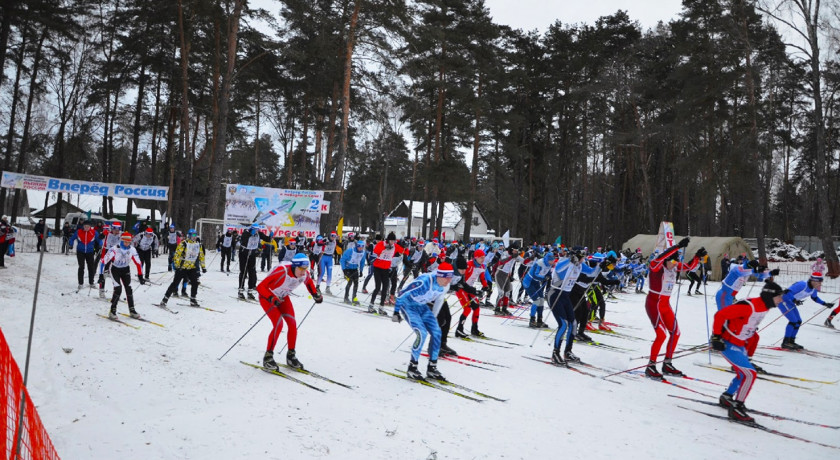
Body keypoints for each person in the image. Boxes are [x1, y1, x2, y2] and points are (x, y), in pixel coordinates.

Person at [711, 280, 785, 423]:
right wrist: (716, 337)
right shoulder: (749, 306)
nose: (781, 301)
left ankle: (727, 397)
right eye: (779, 297)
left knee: (742, 374)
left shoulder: (764, 306)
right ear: (770, 297)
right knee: (750, 374)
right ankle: (737, 408)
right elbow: (720, 315)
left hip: (740, 343)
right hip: (728, 343)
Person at [644, 238, 705, 379]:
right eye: (672, 262)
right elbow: (660, 258)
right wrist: (677, 247)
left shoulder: (674, 266)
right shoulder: (656, 266)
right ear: (667, 260)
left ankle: (667, 363)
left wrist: (697, 256)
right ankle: (651, 366)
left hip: (665, 304)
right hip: (654, 303)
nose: (675, 265)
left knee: (675, 333)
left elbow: (689, 267)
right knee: (661, 334)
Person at [256, 253, 323, 371]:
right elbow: (260, 287)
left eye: (305, 269)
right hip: (267, 298)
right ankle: (268, 357)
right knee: (278, 324)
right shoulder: (282, 271)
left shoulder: (304, 274)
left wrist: (315, 295)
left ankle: (291, 355)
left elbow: (309, 283)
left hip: (283, 297)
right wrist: (271, 298)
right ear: (294, 266)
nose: (303, 272)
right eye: (301, 269)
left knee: (292, 324)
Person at [394, 262, 454, 381]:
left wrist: (434, 318)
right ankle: (412, 366)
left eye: (450, 278)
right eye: (446, 278)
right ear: (439, 275)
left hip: (422, 306)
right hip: (408, 305)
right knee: (422, 333)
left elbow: (439, 301)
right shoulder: (424, 281)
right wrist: (396, 312)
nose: (448, 281)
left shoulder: (444, 285)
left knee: (437, 332)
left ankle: (432, 367)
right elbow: (402, 294)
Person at [778, 273, 834, 349]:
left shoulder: (813, 289)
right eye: (819, 282)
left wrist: (825, 304)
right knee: (793, 321)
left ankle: (791, 341)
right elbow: (787, 292)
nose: (820, 284)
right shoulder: (802, 284)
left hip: (791, 303)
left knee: (798, 321)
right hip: (783, 300)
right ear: (813, 281)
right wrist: (795, 300)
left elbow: (815, 298)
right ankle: (785, 342)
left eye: (821, 282)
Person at [546, 249, 583, 364]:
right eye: (581, 257)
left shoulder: (579, 266)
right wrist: (570, 261)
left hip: (565, 295)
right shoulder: (564, 261)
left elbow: (591, 273)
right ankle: (555, 353)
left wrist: (601, 266)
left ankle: (568, 351)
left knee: (573, 323)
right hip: (555, 294)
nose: (583, 260)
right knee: (563, 324)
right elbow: (558, 269)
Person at [101, 232, 145, 320]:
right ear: (121, 240)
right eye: (125, 242)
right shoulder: (114, 249)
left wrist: (140, 276)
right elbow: (103, 261)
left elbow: (138, 263)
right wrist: (101, 275)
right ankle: (112, 311)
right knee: (118, 289)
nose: (127, 244)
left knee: (128, 289)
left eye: (129, 242)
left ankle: (132, 310)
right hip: (115, 270)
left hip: (125, 270)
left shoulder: (132, 249)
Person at [160, 229, 206, 307]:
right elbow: (177, 255)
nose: (194, 237)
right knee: (175, 283)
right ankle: (165, 299)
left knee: (195, 282)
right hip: (182, 267)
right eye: (193, 235)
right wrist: (177, 266)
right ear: (189, 235)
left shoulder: (198, 245)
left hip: (192, 267)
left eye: (195, 235)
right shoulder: (183, 244)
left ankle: (193, 299)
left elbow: (201, 256)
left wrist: (203, 267)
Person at [453, 251, 488, 338]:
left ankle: (474, 329)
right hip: (461, 289)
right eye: (481, 257)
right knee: (467, 308)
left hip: (470, 289)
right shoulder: (468, 265)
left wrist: (486, 286)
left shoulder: (482, 266)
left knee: (476, 307)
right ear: (476, 257)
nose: (483, 259)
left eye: (484, 257)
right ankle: (459, 330)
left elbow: (482, 277)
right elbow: (462, 279)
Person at [369, 232, 404, 314]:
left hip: (386, 269)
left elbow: (404, 251)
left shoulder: (394, 246)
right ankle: (371, 305)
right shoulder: (382, 243)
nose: (392, 242)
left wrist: (403, 248)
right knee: (378, 287)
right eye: (391, 241)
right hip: (377, 268)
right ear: (388, 240)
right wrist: (384, 248)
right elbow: (376, 251)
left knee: (385, 288)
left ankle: (381, 307)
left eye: (394, 241)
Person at [522, 251, 556, 328]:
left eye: (553, 260)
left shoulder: (549, 265)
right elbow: (535, 274)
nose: (552, 262)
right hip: (529, 282)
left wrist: (549, 276)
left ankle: (539, 320)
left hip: (536, 282)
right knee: (536, 300)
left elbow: (547, 273)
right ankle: (532, 320)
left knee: (541, 300)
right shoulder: (540, 263)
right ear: (547, 259)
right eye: (551, 260)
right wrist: (544, 278)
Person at [238, 224, 272, 299]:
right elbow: (243, 241)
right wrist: (250, 235)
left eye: (258, 230)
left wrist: (270, 236)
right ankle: (240, 291)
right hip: (244, 253)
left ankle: (250, 291)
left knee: (252, 272)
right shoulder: (245, 233)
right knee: (243, 272)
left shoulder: (258, 234)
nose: (257, 231)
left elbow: (267, 239)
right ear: (252, 229)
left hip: (252, 254)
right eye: (255, 229)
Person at [68, 220, 99, 288]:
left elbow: (98, 239)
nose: (86, 228)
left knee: (91, 267)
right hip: (80, 251)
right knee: (81, 267)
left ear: (90, 227)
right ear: (83, 226)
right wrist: (71, 244)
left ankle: (91, 282)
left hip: (90, 252)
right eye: (85, 226)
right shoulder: (79, 232)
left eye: (88, 226)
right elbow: (72, 238)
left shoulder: (94, 232)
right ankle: (80, 283)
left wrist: (100, 244)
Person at [339, 239, 366, 305]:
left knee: (356, 283)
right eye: (359, 246)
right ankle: (346, 298)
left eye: (362, 246)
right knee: (350, 282)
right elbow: (342, 260)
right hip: (348, 269)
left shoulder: (363, 253)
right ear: (357, 246)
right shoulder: (350, 251)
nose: (360, 248)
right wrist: (344, 270)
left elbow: (362, 262)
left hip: (355, 269)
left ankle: (354, 298)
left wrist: (361, 270)